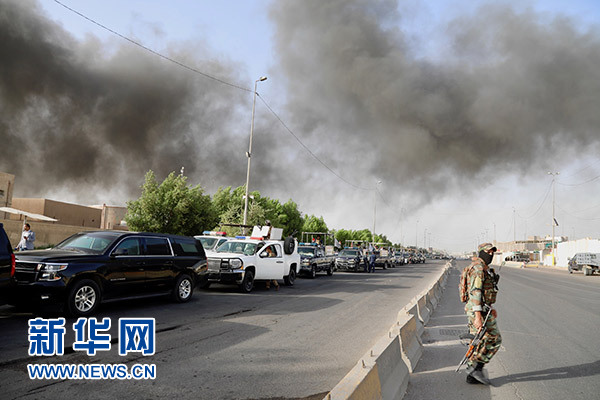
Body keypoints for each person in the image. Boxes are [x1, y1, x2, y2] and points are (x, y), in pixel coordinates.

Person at [464, 243, 502, 385]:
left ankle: (472, 374)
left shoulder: (481, 267)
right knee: (494, 339)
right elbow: (476, 292)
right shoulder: (478, 269)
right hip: (478, 310)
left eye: (492, 252)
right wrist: (478, 317)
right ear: (481, 252)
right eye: (488, 252)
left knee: (477, 342)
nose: (490, 254)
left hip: (482, 308)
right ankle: (476, 368)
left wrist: (490, 307)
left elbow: (484, 293)